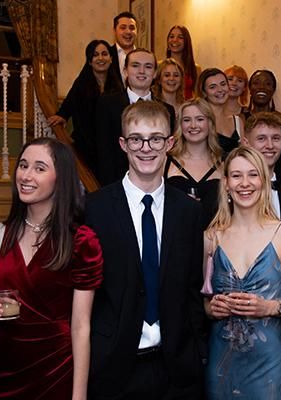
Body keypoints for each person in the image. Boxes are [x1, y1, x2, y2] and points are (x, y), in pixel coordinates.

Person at [86, 100, 206, 399]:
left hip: (176, 369)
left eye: (155, 139)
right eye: (136, 139)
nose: (146, 148)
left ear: (169, 143)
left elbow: (192, 289)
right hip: (113, 367)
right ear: (123, 144)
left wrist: (198, 353)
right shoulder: (94, 209)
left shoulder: (188, 212)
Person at [0, 137, 103, 400]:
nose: (26, 175)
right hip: (3, 370)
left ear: (61, 178)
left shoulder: (81, 241)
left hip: (57, 370)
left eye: (39, 168)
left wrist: (78, 396)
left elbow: (81, 326)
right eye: (23, 165)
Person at [204, 146, 281, 400]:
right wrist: (212, 308)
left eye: (253, 175)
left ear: (264, 182)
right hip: (221, 364)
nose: (245, 183)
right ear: (226, 184)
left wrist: (271, 308)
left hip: (269, 366)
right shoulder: (211, 237)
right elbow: (204, 303)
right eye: (236, 176)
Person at [94, 48, 176, 186]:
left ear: (155, 73)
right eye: (135, 65)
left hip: (156, 185)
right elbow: (103, 153)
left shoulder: (167, 110)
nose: (142, 71)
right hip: (117, 186)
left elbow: (167, 155)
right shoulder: (107, 104)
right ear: (125, 71)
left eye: (148, 67)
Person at [47, 40, 122, 177]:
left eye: (104, 54)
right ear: (89, 61)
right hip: (86, 146)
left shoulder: (117, 86)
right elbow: (69, 104)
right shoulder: (81, 84)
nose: (100, 58)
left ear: (111, 59)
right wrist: (62, 115)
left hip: (110, 146)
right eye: (95, 55)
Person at [165, 98, 223, 228]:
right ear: (180, 125)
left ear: (210, 123)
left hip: (216, 242)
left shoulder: (225, 163)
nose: (193, 125)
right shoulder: (165, 161)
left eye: (200, 119)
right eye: (187, 120)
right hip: (175, 241)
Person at [241, 111, 281, 227]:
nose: (270, 146)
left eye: (276, 138)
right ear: (246, 143)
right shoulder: (233, 191)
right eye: (261, 138)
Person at [197, 67, 242, 155]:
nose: (220, 90)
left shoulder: (237, 121)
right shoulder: (198, 121)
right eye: (213, 87)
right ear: (204, 92)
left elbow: (242, 156)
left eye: (223, 84)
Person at [165, 25, 200, 100]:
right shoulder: (160, 66)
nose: (175, 40)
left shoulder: (195, 68)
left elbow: (198, 95)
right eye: (171, 37)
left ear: (186, 42)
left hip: (188, 108)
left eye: (180, 37)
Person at [108, 12, 137, 90]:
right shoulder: (105, 55)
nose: (128, 32)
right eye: (123, 28)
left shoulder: (144, 57)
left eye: (132, 28)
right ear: (114, 31)